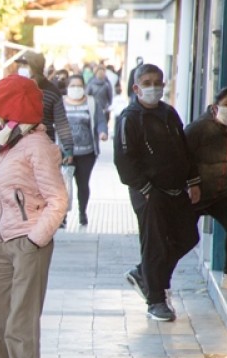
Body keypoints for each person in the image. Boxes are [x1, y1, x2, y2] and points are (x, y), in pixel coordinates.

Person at [0, 74, 67, 358]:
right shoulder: (6, 140)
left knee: (19, 327)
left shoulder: (38, 146)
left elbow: (58, 200)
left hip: (27, 244)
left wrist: (34, 240)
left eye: (1, 106)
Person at [114, 64, 201, 322]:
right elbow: (124, 160)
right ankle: (155, 300)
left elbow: (184, 150)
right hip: (149, 192)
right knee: (155, 245)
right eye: (148, 82)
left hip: (176, 190)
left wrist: (193, 181)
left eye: (158, 82)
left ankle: (145, 274)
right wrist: (145, 188)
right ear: (136, 87)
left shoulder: (169, 114)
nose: (153, 87)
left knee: (187, 237)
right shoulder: (129, 118)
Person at [184, 86, 227, 290]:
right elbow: (182, 158)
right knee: (181, 238)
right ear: (215, 105)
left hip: (222, 193)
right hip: (196, 193)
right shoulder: (199, 128)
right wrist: (189, 184)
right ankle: (155, 278)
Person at [63, 74, 108, 226]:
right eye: (73, 85)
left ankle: (82, 212)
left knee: (82, 184)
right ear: (68, 87)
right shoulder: (60, 103)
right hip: (64, 153)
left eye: (79, 85)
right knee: (63, 185)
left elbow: (100, 120)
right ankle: (62, 216)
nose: (76, 88)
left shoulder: (91, 102)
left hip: (86, 153)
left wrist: (102, 133)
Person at [15, 51, 75, 155]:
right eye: (21, 65)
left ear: (35, 68)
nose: (22, 68)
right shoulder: (16, 88)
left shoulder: (52, 92)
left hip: (43, 148)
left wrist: (68, 148)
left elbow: (61, 122)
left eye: (25, 65)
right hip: (18, 147)